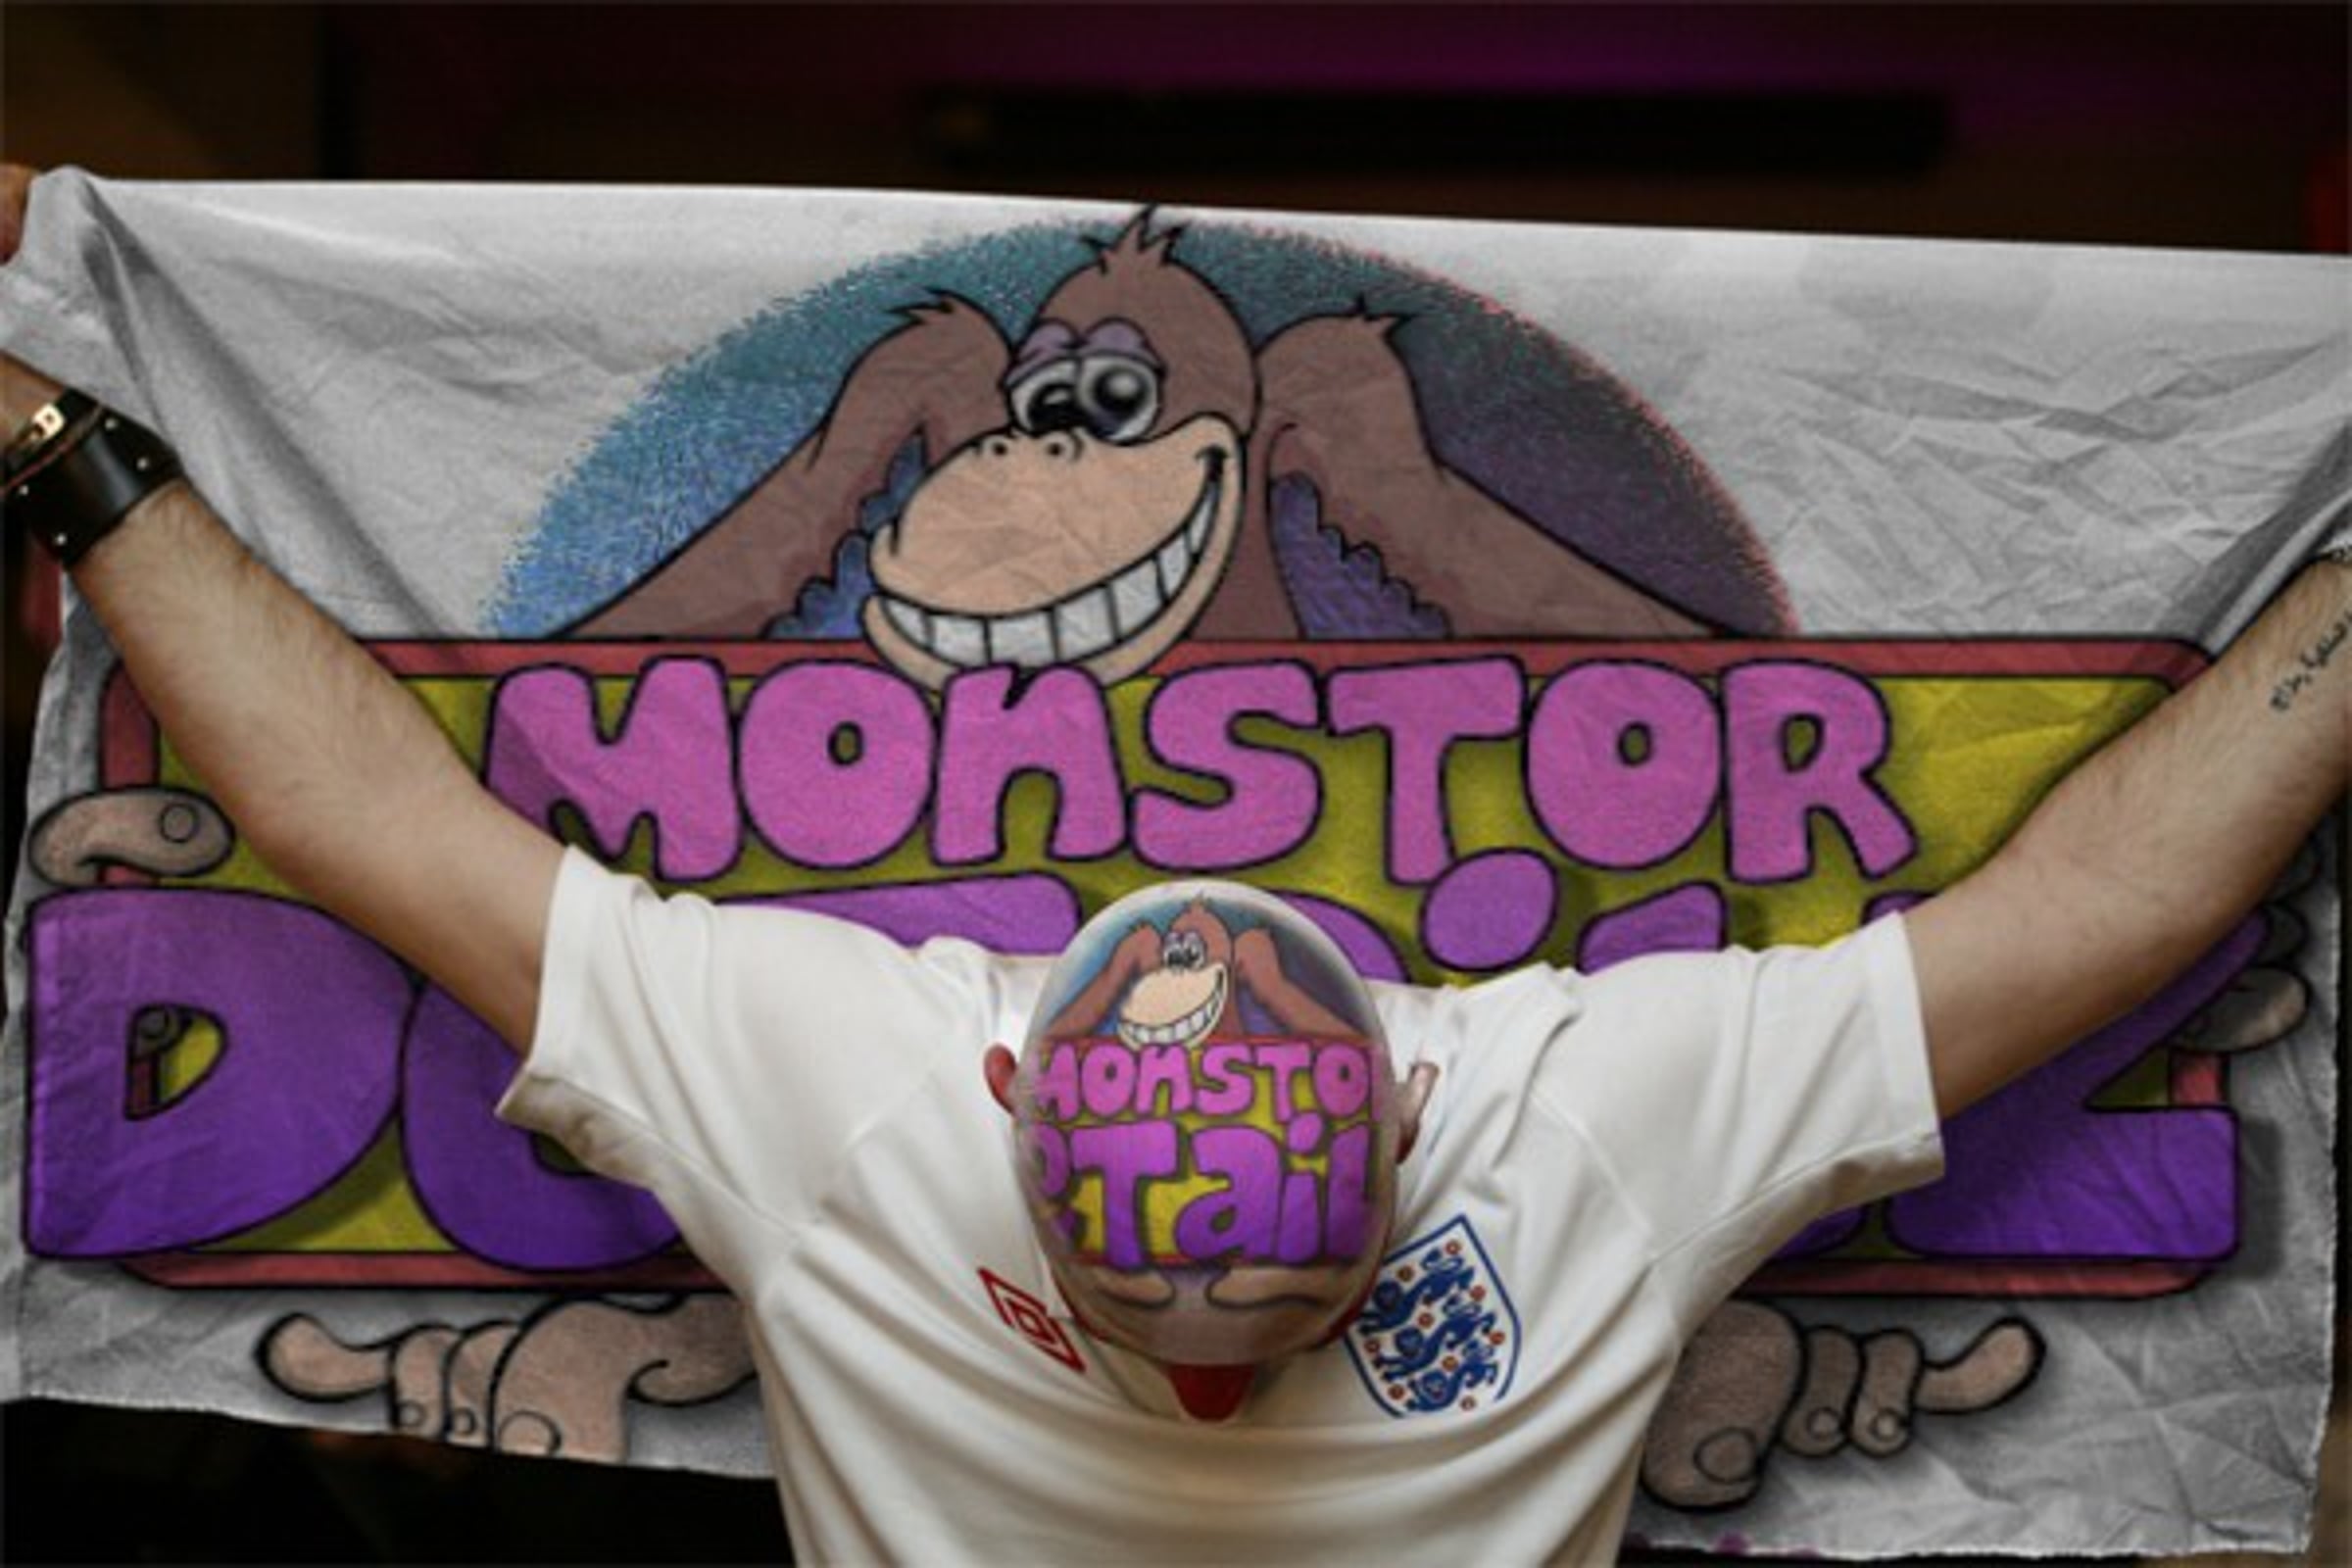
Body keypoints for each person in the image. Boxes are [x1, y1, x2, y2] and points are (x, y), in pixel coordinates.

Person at [3, 165, 2345, 1562]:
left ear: (1007, 1086)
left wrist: (49, 438)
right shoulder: (1574, 1139)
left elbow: (366, 810)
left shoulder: (867, 1120)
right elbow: (2112, 904)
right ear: (1416, 1098)